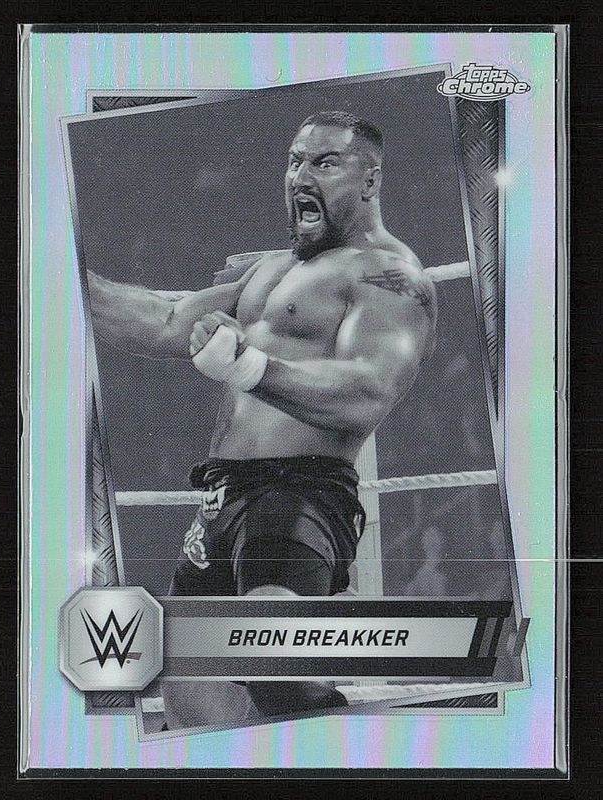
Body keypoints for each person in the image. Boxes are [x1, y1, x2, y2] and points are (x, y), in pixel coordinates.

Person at [87, 110, 437, 725]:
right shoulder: (269, 269)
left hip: (301, 492)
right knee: (191, 701)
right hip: (221, 496)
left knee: (274, 653)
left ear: (370, 180)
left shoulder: (391, 275)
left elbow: (368, 389)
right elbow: (166, 321)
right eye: (296, 161)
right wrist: (66, 277)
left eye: (325, 163)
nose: (302, 176)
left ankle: (359, 741)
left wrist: (249, 365)